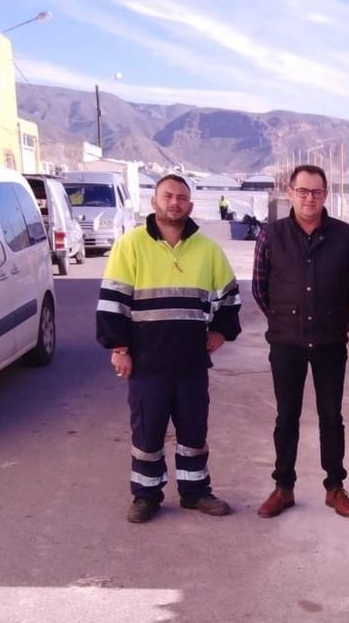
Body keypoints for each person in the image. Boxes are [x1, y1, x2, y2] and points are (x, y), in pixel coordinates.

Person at [97, 173, 241, 524]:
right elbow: (113, 301)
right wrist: (118, 347)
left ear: (189, 205)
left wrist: (221, 334)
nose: (174, 202)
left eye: (181, 197)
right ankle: (146, 495)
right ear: (154, 202)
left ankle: (195, 492)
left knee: (194, 432)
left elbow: (230, 298)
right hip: (146, 362)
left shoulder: (208, 250)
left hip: (192, 363)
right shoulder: (130, 246)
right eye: (167, 196)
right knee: (147, 433)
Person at [252, 164, 349, 520]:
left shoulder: (345, 236)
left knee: (332, 417)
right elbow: (259, 287)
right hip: (286, 344)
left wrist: (340, 323)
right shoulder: (271, 234)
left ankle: (335, 488)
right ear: (290, 193)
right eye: (302, 191)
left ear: (326, 195)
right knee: (287, 418)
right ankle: (283, 487)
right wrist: (285, 318)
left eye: (316, 192)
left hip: (330, 342)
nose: (309, 198)